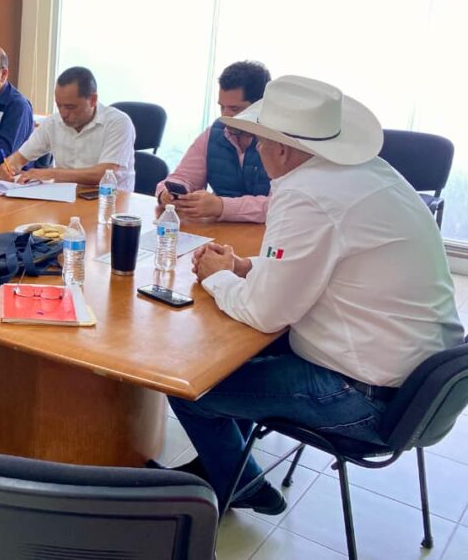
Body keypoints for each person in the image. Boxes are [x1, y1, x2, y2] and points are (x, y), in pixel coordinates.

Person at [168, 75, 463, 516]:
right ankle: (225, 464)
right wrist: (245, 267)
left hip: (367, 396)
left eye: (260, 140)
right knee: (231, 356)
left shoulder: (308, 195)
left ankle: (243, 484)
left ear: (281, 149)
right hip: (413, 380)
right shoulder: (366, 173)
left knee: (190, 383)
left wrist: (215, 276)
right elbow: (319, 268)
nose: (256, 147)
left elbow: (266, 313)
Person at [156, 61, 272, 222]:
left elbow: (279, 206)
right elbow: (183, 176)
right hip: (221, 232)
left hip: (269, 236)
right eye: (222, 107)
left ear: (261, 105)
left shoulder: (280, 144)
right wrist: (166, 194)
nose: (225, 116)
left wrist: (221, 206)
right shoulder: (214, 133)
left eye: (234, 109)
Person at [0, 66, 135, 188]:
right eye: (59, 105)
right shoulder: (53, 123)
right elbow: (20, 157)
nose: (63, 113)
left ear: (93, 100)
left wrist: (52, 173)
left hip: (110, 202)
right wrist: (9, 167)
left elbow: (105, 174)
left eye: (71, 107)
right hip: (65, 200)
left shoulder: (118, 123)